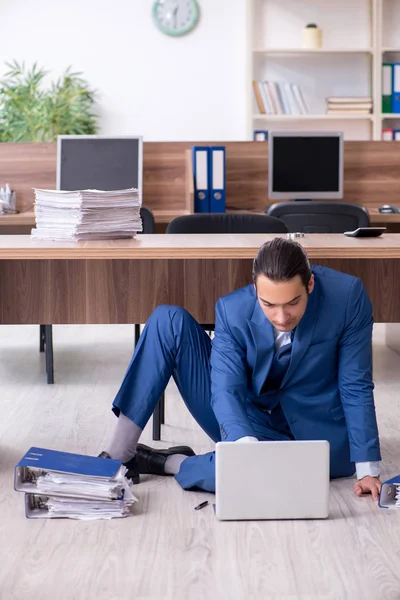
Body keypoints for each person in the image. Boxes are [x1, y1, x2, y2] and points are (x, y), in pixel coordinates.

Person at [99, 238, 382, 499]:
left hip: (316, 433)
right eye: (269, 305)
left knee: (251, 479)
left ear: (309, 284)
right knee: (166, 320)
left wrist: (368, 469)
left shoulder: (348, 297)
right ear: (255, 289)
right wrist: (244, 447)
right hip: (247, 418)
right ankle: (118, 457)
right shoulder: (232, 309)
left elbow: (355, 384)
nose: (281, 317)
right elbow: (226, 389)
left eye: (292, 303)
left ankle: (172, 462)